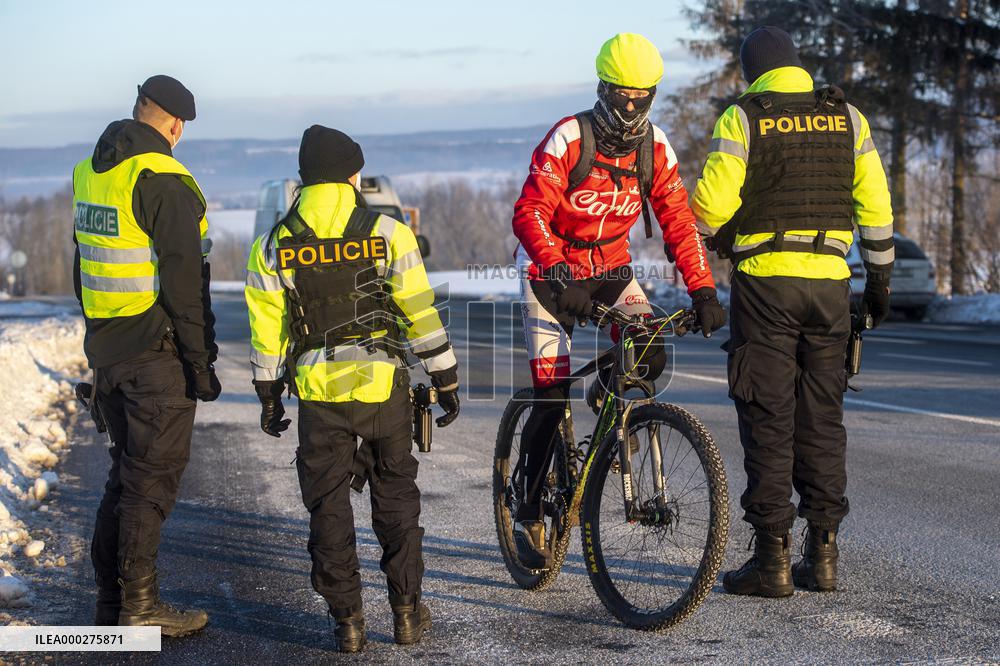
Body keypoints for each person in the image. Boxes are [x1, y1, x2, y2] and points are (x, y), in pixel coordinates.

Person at [510, 33, 727, 569]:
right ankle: (529, 512)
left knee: (647, 351)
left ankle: (605, 407)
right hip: (549, 271)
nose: (631, 108)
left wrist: (703, 289)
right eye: (621, 96)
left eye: (642, 98)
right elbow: (529, 211)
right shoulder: (569, 136)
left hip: (609, 267)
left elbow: (678, 222)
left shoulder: (656, 149)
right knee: (550, 392)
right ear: (603, 88)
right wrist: (560, 273)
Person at [692, 27, 894, 597]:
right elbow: (874, 205)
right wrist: (879, 281)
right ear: (798, 65)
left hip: (765, 289)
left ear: (753, 71)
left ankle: (771, 560)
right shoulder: (847, 117)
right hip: (831, 285)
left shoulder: (745, 117)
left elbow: (709, 208)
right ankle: (823, 555)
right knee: (823, 419)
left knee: (768, 418)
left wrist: (721, 236)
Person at [244, 125, 460, 653]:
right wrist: (445, 376)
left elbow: (269, 330)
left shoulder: (273, 245)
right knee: (396, 501)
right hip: (383, 386)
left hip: (319, 394)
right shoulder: (388, 232)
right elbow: (418, 312)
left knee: (329, 508)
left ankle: (348, 623)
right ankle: (407, 613)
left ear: (304, 177)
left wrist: (269, 394)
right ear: (352, 174)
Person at [72, 75, 220, 635]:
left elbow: (82, 266)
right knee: (149, 482)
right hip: (157, 356)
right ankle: (138, 606)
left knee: (125, 476)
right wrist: (200, 362)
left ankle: (112, 604)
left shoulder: (92, 172)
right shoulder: (163, 176)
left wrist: (95, 338)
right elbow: (185, 282)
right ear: (176, 124)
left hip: (109, 348)